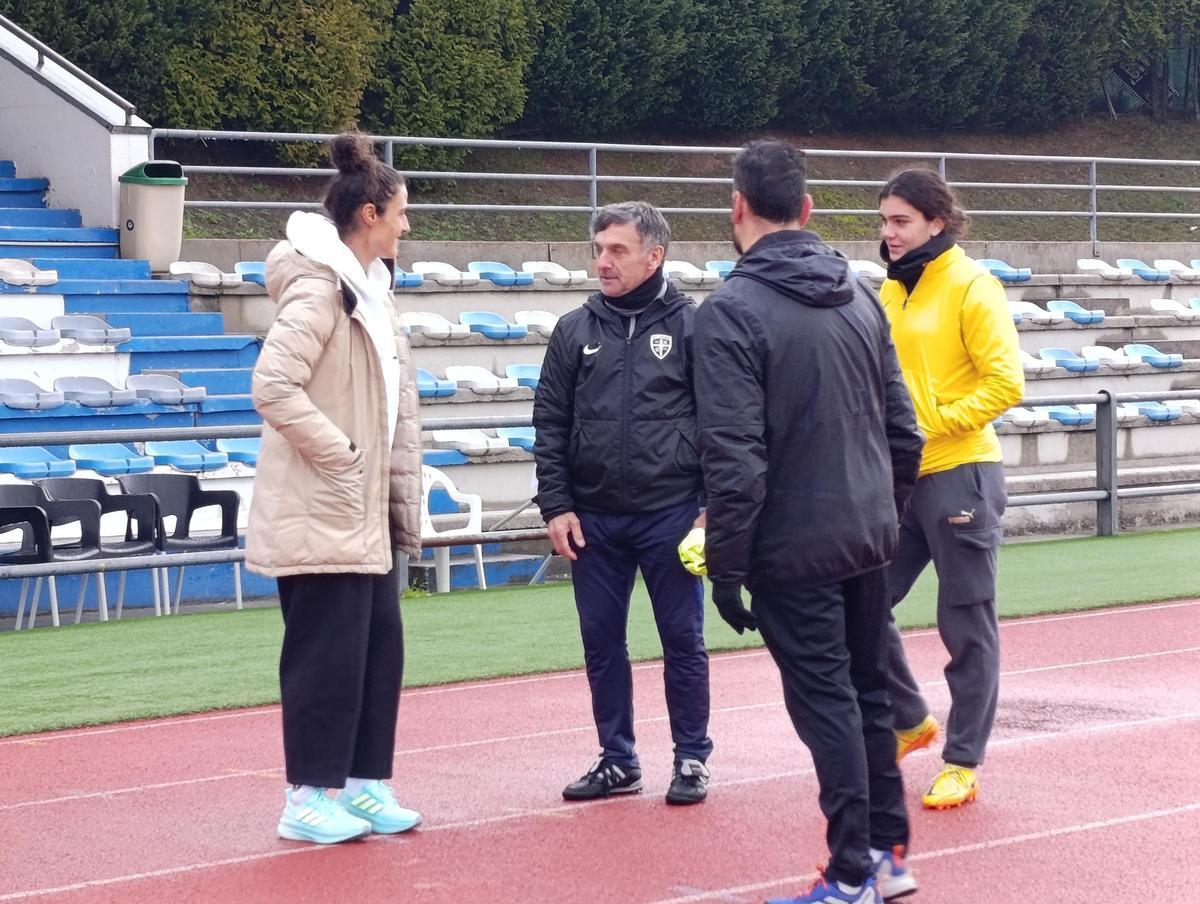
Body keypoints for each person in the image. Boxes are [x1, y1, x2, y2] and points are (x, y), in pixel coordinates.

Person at [694, 141, 925, 904]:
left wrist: (726, 568)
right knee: (868, 695)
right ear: (807, 208)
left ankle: (853, 871)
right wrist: (883, 517)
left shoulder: (729, 312)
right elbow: (904, 432)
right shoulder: (860, 294)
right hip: (865, 534)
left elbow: (735, 459)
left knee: (828, 703)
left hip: (794, 546)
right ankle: (886, 855)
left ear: (737, 207)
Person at [246, 131, 424, 844]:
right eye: (401, 213)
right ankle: (305, 798)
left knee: (377, 649)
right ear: (370, 215)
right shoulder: (321, 289)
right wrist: (343, 454)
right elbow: (272, 385)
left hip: (364, 510)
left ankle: (362, 784)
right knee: (325, 657)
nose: (407, 226)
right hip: (324, 504)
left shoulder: (372, 289)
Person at [532, 201, 713, 806]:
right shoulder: (573, 330)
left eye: (617, 250)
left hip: (672, 513)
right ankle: (618, 759)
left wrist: (711, 507)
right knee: (601, 642)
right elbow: (549, 423)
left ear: (654, 256)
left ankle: (691, 757)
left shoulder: (693, 327)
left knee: (682, 640)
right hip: (594, 519)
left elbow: (721, 422)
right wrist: (556, 505)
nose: (602, 262)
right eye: (598, 249)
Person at [877, 168, 1024, 810]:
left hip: (961, 471)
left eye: (901, 221)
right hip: (896, 480)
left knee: (966, 622)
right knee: (860, 601)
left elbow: (1005, 383)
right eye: (884, 220)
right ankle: (910, 720)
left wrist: (929, 423)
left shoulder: (972, 284)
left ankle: (963, 760)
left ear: (936, 222)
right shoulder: (890, 287)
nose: (889, 232)